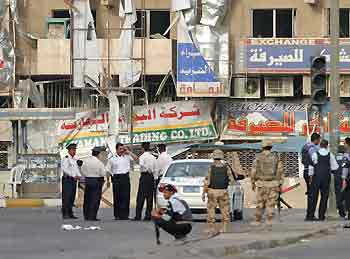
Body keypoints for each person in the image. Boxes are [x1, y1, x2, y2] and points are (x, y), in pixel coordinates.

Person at [251, 140, 284, 227]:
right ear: (271, 147)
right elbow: (280, 171)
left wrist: (252, 182)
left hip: (261, 184)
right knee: (271, 203)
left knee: (260, 202)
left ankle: (258, 220)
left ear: (262, 147)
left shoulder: (257, 157)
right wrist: (280, 183)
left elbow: (253, 172)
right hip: (273, 184)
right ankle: (269, 220)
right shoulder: (276, 157)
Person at [202, 149, 234, 234]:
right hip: (223, 191)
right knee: (225, 210)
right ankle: (224, 228)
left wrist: (203, 192)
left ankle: (211, 228)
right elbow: (231, 180)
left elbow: (207, 181)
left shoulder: (211, 168)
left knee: (211, 209)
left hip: (212, 191)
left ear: (213, 157)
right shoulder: (226, 167)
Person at [306, 139, 339, 221]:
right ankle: (321, 216)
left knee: (313, 197)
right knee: (324, 197)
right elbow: (335, 167)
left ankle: (310, 216)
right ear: (327, 146)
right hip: (326, 178)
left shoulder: (315, 154)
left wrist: (310, 177)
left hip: (316, 177)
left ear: (320, 145)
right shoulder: (330, 155)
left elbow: (311, 167)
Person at [106, 143, 138, 220]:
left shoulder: (127, 156)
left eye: (123, 149)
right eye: (120, 149)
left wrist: (128, 152)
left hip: (125, 178)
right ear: (116, 149)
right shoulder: (112, 158)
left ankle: (125, 215)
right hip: (116, 178)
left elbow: (136, 158)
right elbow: (108, 170)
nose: (122, 150)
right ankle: (117, 215)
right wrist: (108, 181)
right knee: (117, 197)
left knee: (126, 197)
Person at [81, 146, 108, 221]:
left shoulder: (86, 161)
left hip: (88, 180)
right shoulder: (99, 162)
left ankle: (86, 216)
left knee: (87, 199)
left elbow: (82, 170)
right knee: (95, 199)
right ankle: (92, 216)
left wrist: (87, 175)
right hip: (97, 181)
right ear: (98, 154)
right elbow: (103, 173)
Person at [133, 142, 157, 221]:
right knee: (149, 198)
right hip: (151, 178)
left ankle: (138, 216)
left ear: (143, 148)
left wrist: (147, 168)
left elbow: (141, 164)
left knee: (141, 197)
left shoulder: (142, 156)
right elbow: (155, 169)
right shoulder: (153, 157)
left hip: (144, 176)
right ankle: (148, 216)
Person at [61, 143, 82, 219]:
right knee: (67, 197)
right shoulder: (66, 159)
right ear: (69, 151)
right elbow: (65, 169)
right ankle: (65, 213)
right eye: (73, 150)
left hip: (73, 180)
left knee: (72, 197)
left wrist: (79, 176)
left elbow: (76, 170)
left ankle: (70, 213)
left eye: (75, 150)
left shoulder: (75, 160)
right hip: (67, 180)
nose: (74, 151)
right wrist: (74, 176)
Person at [334, 145, 347, 218]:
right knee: (345, 195)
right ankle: (343, 212)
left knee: (338, 194)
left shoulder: (335, 157)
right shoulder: (345, 158)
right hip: (344, 177)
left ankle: (341, 211)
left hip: (336, 177)